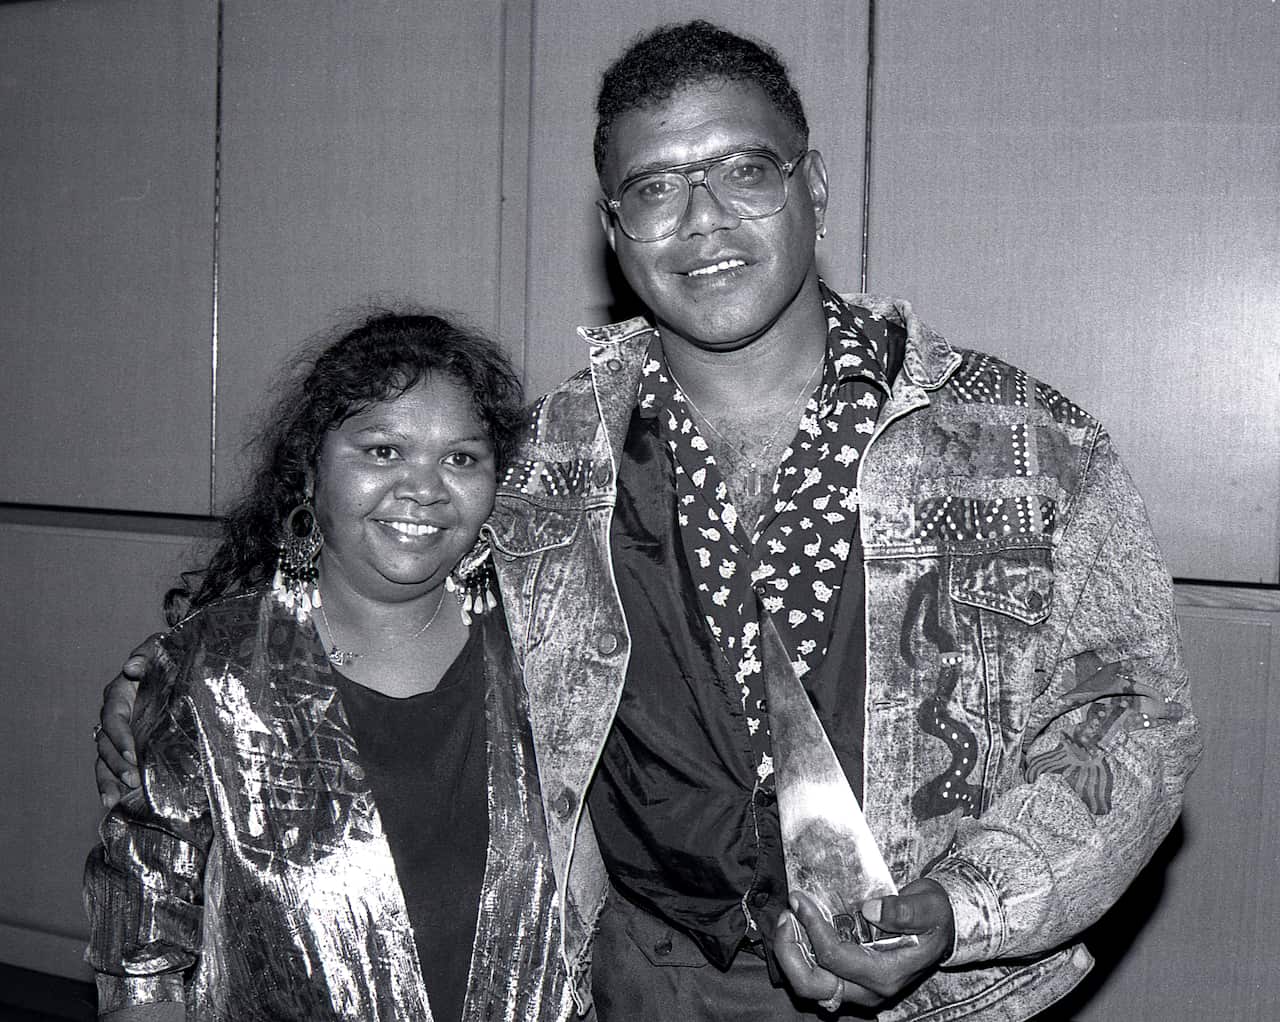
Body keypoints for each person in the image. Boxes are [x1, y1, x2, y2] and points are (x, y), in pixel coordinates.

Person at [97, 20, 1201, 1022]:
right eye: (655, 186)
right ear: (615, 226)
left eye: (741, 169)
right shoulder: (545, 461)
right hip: (640, 980)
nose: (701, 220)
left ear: (810, 183)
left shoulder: (1023, 444)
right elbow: (383, 566)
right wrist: (182, 675)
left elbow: (1131, 722)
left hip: (945, 994)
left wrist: (959, 907)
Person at [84, 312, 574, 1021]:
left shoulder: (552, 656)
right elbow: (143, 956)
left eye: (462, 458)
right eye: (382, 451)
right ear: (310, 468)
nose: (425, 488)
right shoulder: (215, 673)